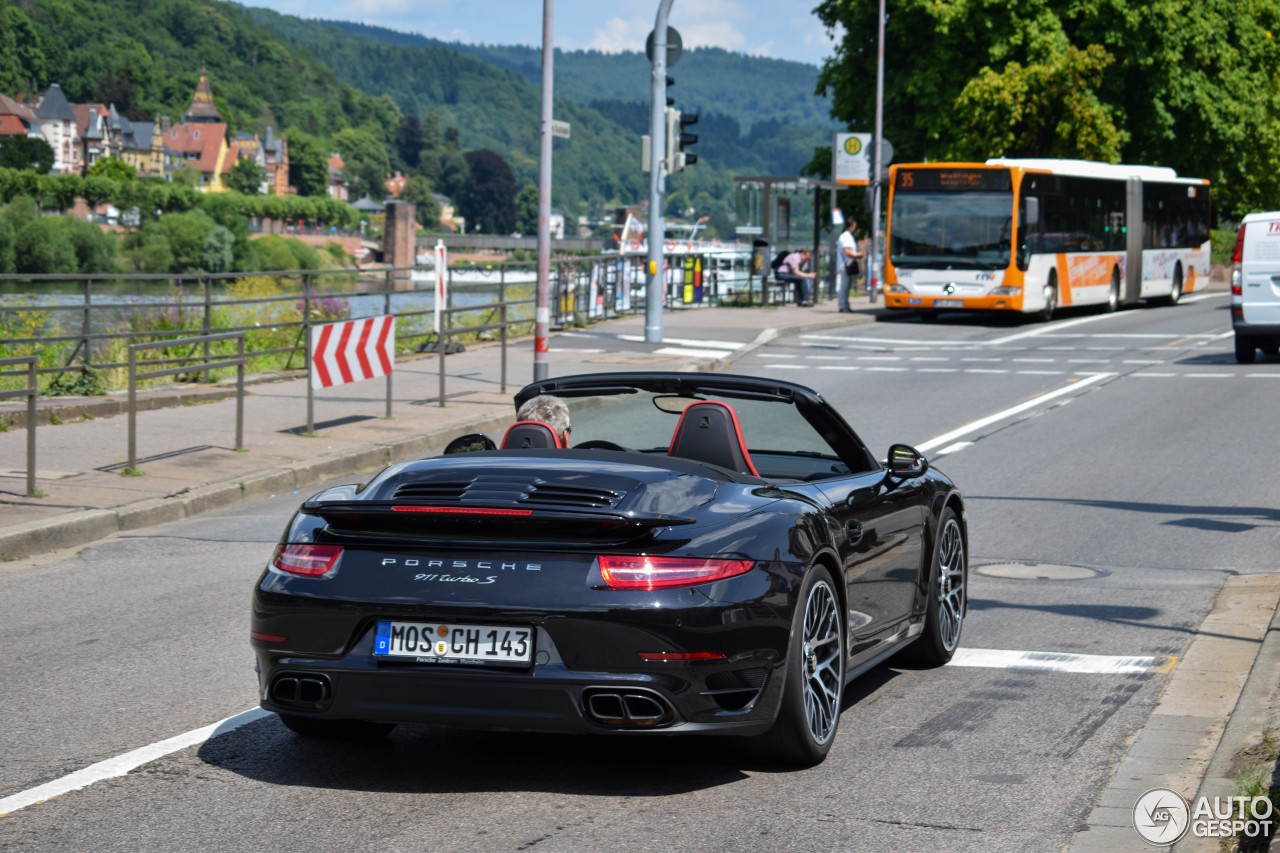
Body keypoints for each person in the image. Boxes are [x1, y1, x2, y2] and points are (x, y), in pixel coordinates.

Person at [837, 219, 865, 313]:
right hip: (846, 264)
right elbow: (847, 251)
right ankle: (843, 305)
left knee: (847, 285)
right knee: (844, 286)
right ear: (852, 226)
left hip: (847, 264)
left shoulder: (847, 236)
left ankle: (845, 305)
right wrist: (857, 255)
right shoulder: (846, 236)